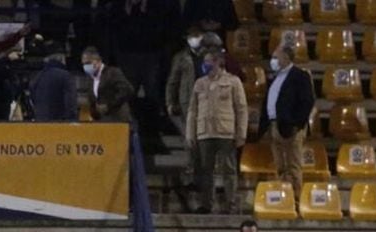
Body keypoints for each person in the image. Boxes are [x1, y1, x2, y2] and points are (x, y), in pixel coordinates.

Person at [186, 50, 247, 215]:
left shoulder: (233, 82)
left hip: (225, 132)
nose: (205, 65)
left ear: (218, 62)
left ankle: (230, 204)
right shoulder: (200, 83)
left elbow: (241, 109)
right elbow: (193, 110)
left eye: (208, 61)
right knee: (206, 170)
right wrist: (190, 133)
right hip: (205, 132)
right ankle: (206, 204)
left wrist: (241, 134)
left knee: (228, 169)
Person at [112, 0, 180, 132]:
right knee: (128, 92)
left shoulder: (155, 8)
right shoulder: (118, 8)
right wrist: (127, 12)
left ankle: (153, 128)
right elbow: (115, 31)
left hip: (151, 56)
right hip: (128, 57)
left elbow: (159, 30)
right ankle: (127, 127)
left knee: (152, 92)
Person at [260, 45, 315, 198]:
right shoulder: (275, 77)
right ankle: (284, 197)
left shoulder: (300, 76)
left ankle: (296, 199)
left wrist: (297, 124)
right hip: (274, 125)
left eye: (276, 57)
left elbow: (307, 101)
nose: (273, 60)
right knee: (280, 166)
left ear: (286, 57)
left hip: (291, 127)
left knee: (293, 165)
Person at [81, 47, 134, 123]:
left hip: (118, 121)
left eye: (88, 63)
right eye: (83, 64)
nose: (86, 67)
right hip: (101, 122)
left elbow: (127, 90)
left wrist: (109, 105)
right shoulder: (90, 79)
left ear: (98, 61)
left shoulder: (113, 72)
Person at [30, 49, 79, 121]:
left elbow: (33, 100)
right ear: (61, 59)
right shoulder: (66, 76)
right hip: (60, 124)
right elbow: (70, 102)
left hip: (40, 123)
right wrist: (72, 120)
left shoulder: (37, 77)